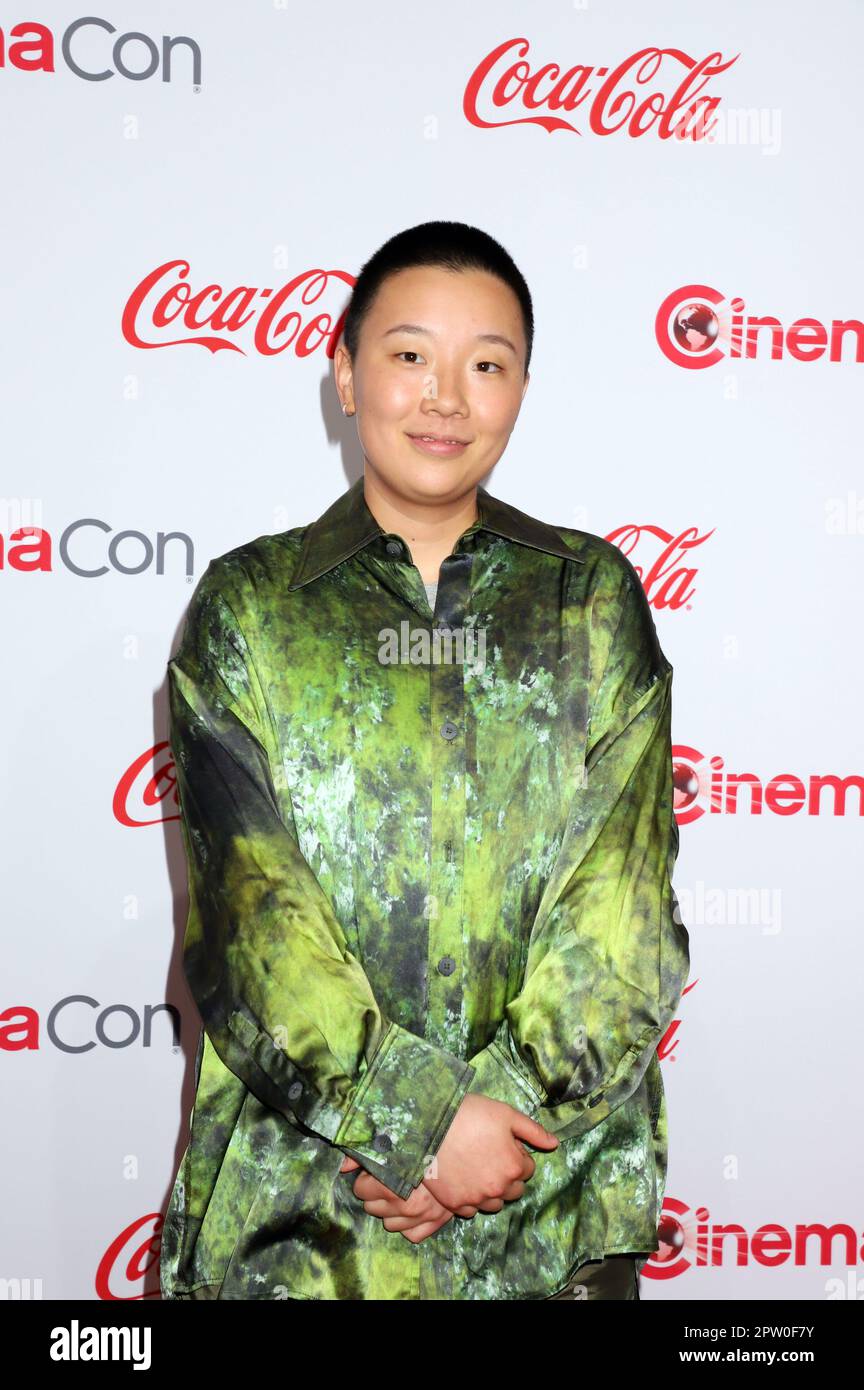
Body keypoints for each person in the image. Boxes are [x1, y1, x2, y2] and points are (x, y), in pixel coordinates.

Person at [159, 220, 690, 1302]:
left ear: (522, 389)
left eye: (486, 364)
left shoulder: (591, 600)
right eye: (409, 356)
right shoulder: (252, 609)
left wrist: (488, 1130)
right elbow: (252, 924)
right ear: (346, 378)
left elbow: (623, 912)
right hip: (301, 1216)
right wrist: (420, 1125)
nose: (446, 396)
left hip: (544, 1202)